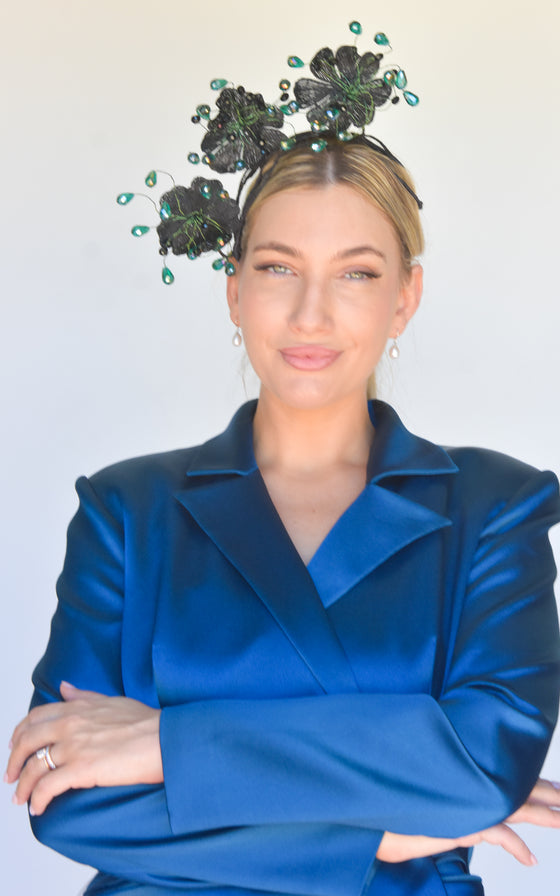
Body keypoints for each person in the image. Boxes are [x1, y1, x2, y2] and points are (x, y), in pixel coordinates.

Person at [5, 24, 560, 896]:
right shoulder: (127, 510)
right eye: (276, 268)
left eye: (356, 273)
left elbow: (481, 765)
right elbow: (64, 797)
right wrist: (373, 835)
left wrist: (166, 745)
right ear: (234, 289)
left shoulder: (493, 506)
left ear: (405, 296)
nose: (310, 315)